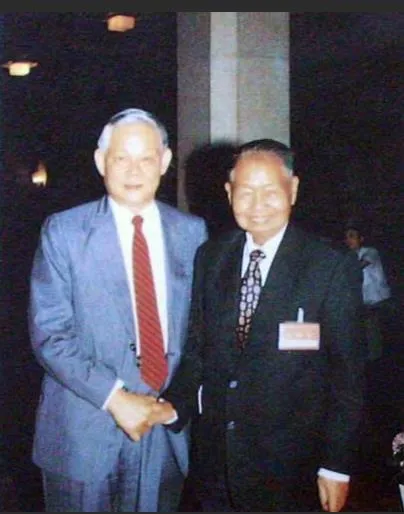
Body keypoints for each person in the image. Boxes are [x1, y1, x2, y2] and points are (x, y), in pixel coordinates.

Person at [149, 138, 366, 511]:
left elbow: (348, 379)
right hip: (215, 464)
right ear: (229, 192)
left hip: (292, 468)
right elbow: (198, 350)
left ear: (292, 190)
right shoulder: (212, 257)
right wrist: (174, 405)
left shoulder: (329, 266)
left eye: (270, 191)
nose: (257, 204)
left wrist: (336, 466)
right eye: (246, 192)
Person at [28, 108, 208, 512]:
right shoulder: (64, 232)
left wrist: (177, 402)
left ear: (164, 161)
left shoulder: (192, 233)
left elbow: (198, 333)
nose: (133, 170)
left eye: (146, 158)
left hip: (163, 432)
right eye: (121, 157)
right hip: (83, 428)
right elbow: (49, 333)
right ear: (100, 161)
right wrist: (116, 398)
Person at [344, 225, 392, 361]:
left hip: (377, 299)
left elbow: (359, 266)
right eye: (347, 237)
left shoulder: (370, 252)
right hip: (364, 301)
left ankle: (376, 361)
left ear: (361, 239)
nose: (348, 240)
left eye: (352, 236)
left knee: (374, 331)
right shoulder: (348, 256)